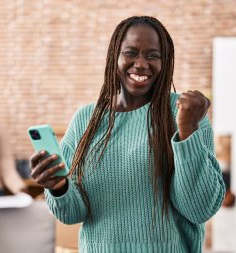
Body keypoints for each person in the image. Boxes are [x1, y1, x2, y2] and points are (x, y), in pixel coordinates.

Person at [30, 16, 225, 252]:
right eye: (131, 52)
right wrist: (58, 186)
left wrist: (187, 132)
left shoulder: (186, 114)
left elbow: (199, 209)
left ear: (166, 62)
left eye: (153, 55)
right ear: (115, 56)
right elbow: (72, 214)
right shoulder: (86, 119)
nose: (141, 63)